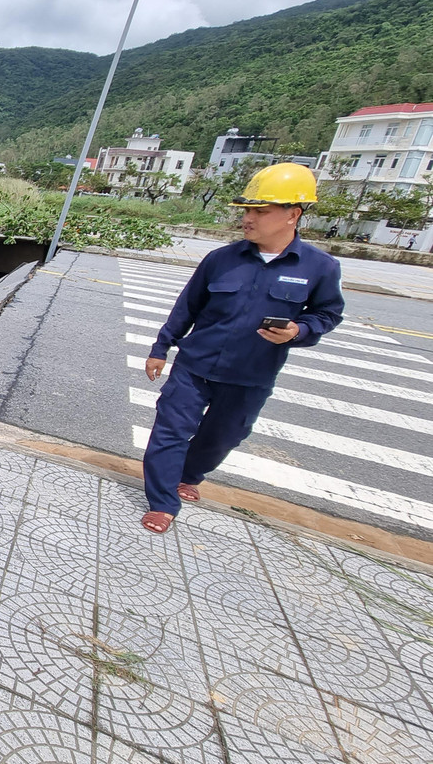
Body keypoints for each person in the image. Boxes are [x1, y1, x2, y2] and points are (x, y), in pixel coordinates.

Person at [140, 163, 344, 535]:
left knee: (224, 436)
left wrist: (300, 329)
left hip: (251, 374)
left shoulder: (320, 267)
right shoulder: (221, 259)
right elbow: (187, 306)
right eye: (247, 210)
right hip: (194, 365)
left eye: (259, 211)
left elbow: (328, 313)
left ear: (292, 215)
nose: (248, 219)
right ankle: (163, 502)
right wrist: (161, 347)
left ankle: (190, 474)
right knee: (169, 431)